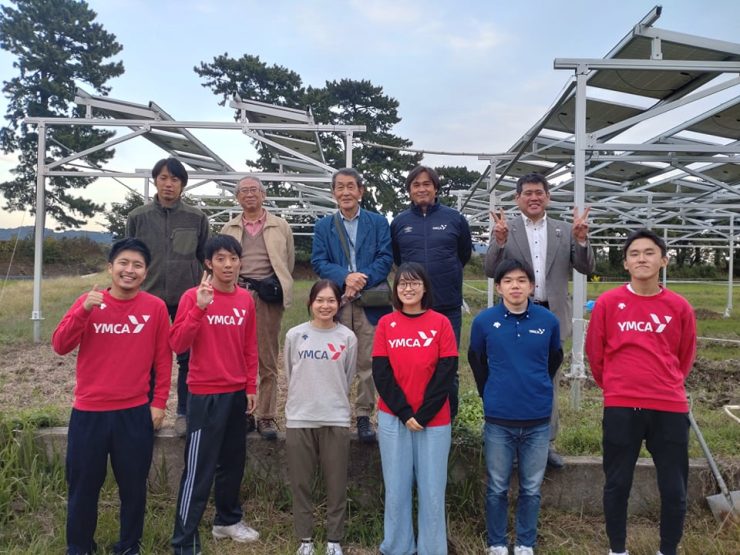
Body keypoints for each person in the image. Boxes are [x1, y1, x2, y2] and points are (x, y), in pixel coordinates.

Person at [52, 238, 172, 555]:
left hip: (134, 413)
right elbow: (60, 345)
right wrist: (83, 311)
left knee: (133, 488)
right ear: (110, 267)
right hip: (88, 412)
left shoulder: (155, 308)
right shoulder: (88, 301)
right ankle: (79, 547)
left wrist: (159, 403)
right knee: (83, 486)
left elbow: (163, 359)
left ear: (146, 272)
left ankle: (129, 546)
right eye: (123, 263)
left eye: (137, 265)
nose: (129, 270)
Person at [585, 229, 696, 555]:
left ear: (663, 261)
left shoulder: (679, 307)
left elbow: (685, 356)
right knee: (617, 483)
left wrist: (664, 383)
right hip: (622, 406)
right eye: (634, 254)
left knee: (674, 488)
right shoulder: (608, 303)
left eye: (649, 253)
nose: (642, 259)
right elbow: (596, 354)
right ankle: (617, 549)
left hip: (669, 407)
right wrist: (618, 387)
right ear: (625, 263)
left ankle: (668, 549)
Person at [484, 172, 594, 468]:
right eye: (527, 193)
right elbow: (490, 269)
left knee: (548, 379)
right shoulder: (506, 228)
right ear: (518, 198)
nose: (534, 198)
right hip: (513, 314)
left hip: (551, 316)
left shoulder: (565, 229)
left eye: (539, 192)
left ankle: (546, 443)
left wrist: (581, 240)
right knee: (511, 377)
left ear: (548, 197)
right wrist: (499, 242)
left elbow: (586, 267)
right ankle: (511, 442)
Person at [170, 235, 260, 554]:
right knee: (199, 468)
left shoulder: (245, 300)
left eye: (233, 258)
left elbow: (250, 346)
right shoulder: (192, 297)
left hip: (236, 393)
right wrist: (199, 308)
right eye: (220, 259)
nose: (228, 265)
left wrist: (250, 386)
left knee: (233, 462)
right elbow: (178, 343)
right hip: (204, 394)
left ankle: (227, 520)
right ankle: (184, 539)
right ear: (208, 263)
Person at [468, 259, 563, 555]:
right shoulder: (484, 322)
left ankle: (525, 542)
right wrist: (491, 392)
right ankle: (497, 542)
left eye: (522, 280)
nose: (515, 286)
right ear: (498, 287)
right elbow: (476, 360)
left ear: (532, 286)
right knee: (497, 486)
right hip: (499, 418)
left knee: (531, 488)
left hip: (537, 419)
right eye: (508, 281)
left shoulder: (548, 321)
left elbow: (554, 359)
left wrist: (535, 386)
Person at [372, 262, 458, 555]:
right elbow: (381, 373)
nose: (408, 288)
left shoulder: (441, 323)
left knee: (432, 490)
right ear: (396, 289)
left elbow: (447, 372)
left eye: (414, 283)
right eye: (402, 283)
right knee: (396, 488)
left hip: (434, 420)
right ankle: (397, 547)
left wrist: (422, 415)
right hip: (394, 417)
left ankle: (432, 549)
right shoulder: (386, 324)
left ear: (425, 288)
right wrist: (405, 413)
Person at [126, 157, 210, 436]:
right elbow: (130, 256)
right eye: (163, 178)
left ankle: (184, 412)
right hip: (148, 298)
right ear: (155, 181)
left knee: (188, 358)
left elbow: (205, 258)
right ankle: (148, 410)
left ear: (182, 184)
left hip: (185, 298)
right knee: (147, 357)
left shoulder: (196, 217)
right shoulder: (138, 217)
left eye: (174, 179)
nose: (168, 184)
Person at [311, 167, 393, 443]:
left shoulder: (378, 222)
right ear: (333, 193)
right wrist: (345, 277)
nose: (345, 192)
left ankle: (363, 415)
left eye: (350, 186)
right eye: (340, 187)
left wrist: (360, 279)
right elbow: (319, 261)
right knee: (336, 358)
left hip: (371, 301)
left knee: (368, 360)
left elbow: (385, 258)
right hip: (338, 301)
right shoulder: (324, 226)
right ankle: (335, 412)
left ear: (361, 191)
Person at [391, 165, 472, 421]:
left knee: (448, 366)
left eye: (427, 184)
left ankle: (449, 420)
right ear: (409, 191)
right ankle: (412, 415)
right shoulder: (400, 222)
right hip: (412, 308)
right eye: (416, 185)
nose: (422, 189)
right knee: (412, 363)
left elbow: (463, 254)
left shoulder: (454, 219)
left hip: (447, 305)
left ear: (436, 188)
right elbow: (398, 259)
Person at [284, 279, 358, 555]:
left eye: (331, 300)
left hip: (335, 418)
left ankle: (333, 540)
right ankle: (305, 539)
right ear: (310, 303)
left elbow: (347, 377)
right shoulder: (295, 335)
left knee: (336, 484)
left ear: (339, 304)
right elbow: (290, 373)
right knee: (301, 483)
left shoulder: (347, 338)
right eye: (320, 300)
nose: (325, 306)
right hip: (300, 417)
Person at [222, 176, 295, 440]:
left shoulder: (280, 225)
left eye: (254, 189)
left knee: (267, 356)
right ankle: (243, 412)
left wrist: (275, 285)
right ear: (237, 197)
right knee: (238, 355)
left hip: (267, 296)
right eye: (244, 191)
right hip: (237, 294)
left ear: (263, 194)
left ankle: (266, 415)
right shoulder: (229, 227)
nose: (249, 194)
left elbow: (288, 261)